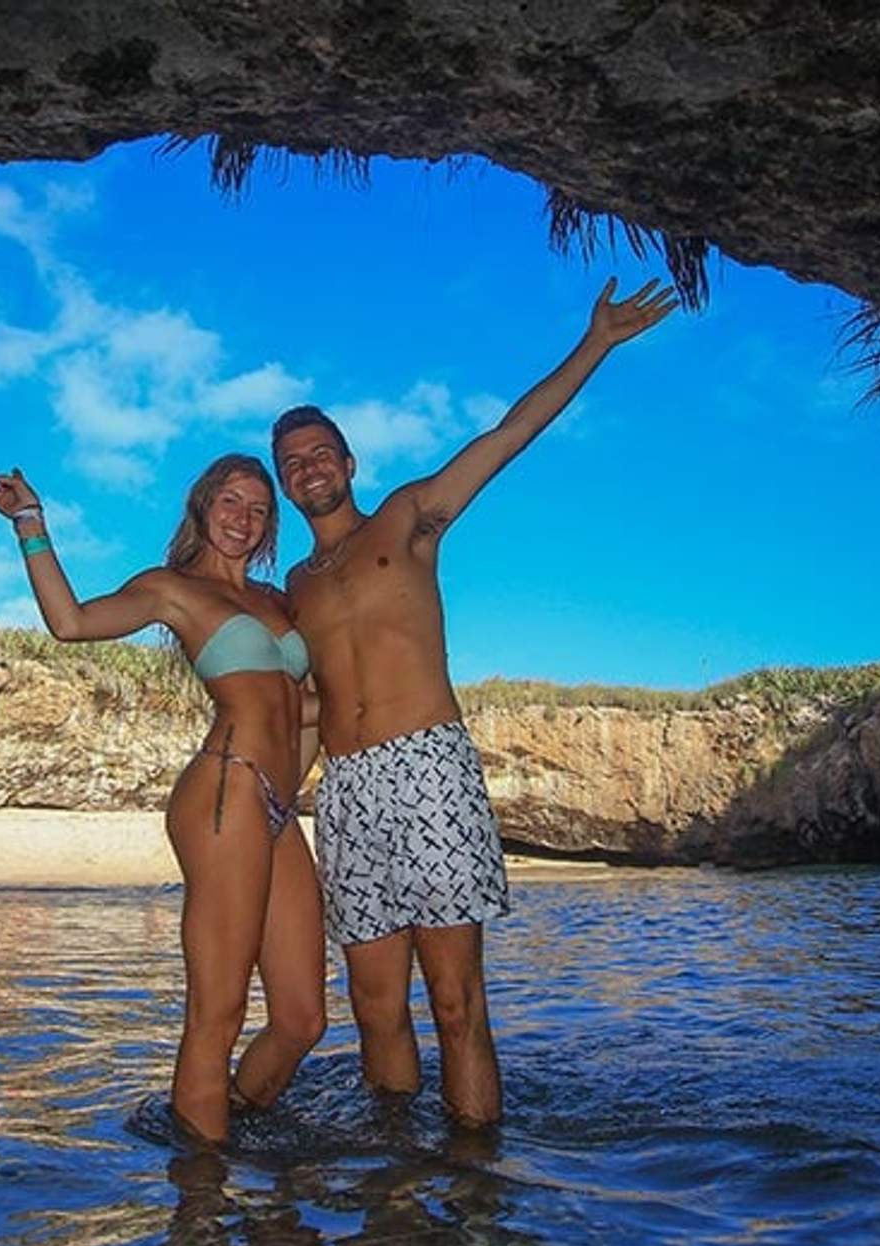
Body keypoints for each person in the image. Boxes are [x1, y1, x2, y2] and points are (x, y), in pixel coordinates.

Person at [272, 277, 677, 1126]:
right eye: (292, 463)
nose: (308, 469)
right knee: (374, 1009)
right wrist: (273, 798)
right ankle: (394, 1187)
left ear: (348, 463)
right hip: (344, 793)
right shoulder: (294, 587)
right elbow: (305, 709)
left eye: (320, 454)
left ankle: (471, 1193)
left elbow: (511, 433)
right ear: (287, 482)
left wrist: (595, 342)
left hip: (428, 768)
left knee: (456, 1003)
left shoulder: (410, 517)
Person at [0, 454, 326, 1144]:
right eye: (231, 501)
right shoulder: (173, 589)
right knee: (218, 1009)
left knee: (301, 1019)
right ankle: (199, 1203)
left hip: (281, 809)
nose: (244, 518)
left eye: (260, 509)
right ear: (202, 507)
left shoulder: (278, 601)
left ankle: (227, 1121)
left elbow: (313, 707)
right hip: (225, 790)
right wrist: (30, 523)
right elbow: (71, 622)